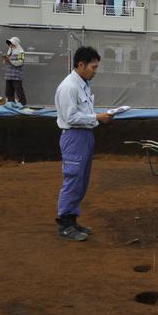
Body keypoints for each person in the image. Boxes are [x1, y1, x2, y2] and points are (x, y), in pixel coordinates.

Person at [54, 46, 114, 241]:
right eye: (93, 67)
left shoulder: (83, 83)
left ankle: (72, 220)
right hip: (74, 136)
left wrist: (97, 118)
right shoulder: (69, 87)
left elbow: (83, 113)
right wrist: (97, 117)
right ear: (81, 65)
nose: (95, 71)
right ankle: (65, 225)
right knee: (72, 179)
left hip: (86, 135)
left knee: (81, 180)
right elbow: (71, 117)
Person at [3, 36, 27, 106]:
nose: (10, 45)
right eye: (9, 44)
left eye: (11, 43)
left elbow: (20, 62)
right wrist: (5, 59)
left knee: (18, 90)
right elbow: (6, 62)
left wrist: (9, 60)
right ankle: (11, 103)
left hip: (16, 76)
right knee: (8, 91)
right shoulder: (9, 51)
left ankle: (22, 103)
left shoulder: (21, 52)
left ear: (15, 43)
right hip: (8, 75)